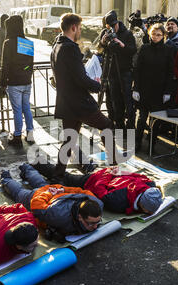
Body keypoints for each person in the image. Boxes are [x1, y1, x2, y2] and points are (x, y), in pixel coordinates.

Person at [50, 13, 121, 178]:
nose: (80, 31)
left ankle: (57, 174)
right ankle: (115, 168)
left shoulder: (57, 45)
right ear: (73, 28)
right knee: (107, 126)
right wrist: (98, 85)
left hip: (66, 102)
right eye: (80, 28)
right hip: (79, 103)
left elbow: (68, 74)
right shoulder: (70, 47)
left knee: (69, 139)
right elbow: (80, 78)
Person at [0, 164, 104, 242]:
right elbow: (35, 205)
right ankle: (5, 178)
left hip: (56, 193)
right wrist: (49, 192)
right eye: (90, 223)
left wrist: (62, 190)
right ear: (80, 216)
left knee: (40, 183)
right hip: (41, 197)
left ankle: (26, 167)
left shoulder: (98, 203)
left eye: (97, 222)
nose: (95, 227)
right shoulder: (57, 215)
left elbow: (81, 191)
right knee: (19, 193)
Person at [32, 162, 163, 216]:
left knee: (84, 172)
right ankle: (36, 163)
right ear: (144, 207)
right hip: (96, 179)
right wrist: (110, 173)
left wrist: (116, 172)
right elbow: (98, 187)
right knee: (65, 177)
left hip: (109, 177)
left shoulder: (151, 185)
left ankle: (81, 158)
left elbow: (137, 175)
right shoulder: (117, 201)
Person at [133, 23, 175, 152]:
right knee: (141, 119)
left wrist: (167, 91)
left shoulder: (168, 50)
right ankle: (137, 143)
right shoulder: (144, 48)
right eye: (153, 34)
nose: (156, 37)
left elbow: (170, 72)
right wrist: (136, 88)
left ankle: (152, 143)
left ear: (163, 36)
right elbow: (137, 69)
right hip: (144, 89)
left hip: (159, 91)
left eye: (159, 35)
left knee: (155, 120)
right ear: (150, 34)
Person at [0, 15, 35, 148]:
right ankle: (30, 133)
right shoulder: (27, 42)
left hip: (14, 82)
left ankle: (17, 135)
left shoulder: (8, 42)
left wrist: (3, 82)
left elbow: (5, 65)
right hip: (27, 81)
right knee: (26, 108)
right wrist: (25, 72)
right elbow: (29, 64)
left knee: (17, 110)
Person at [100, 10, 137, 130]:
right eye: (109, 26)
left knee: (127, 100)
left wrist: (122, 45)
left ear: (117, 23)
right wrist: (103, 41)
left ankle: (130, 126)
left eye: (114, 25)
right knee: (115, 101)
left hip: (125, 72)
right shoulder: (104, 33)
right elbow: (99, 50)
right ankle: (119, 126)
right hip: (111, 72)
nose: (112, 28)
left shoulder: (127, 34)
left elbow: (133, 50)